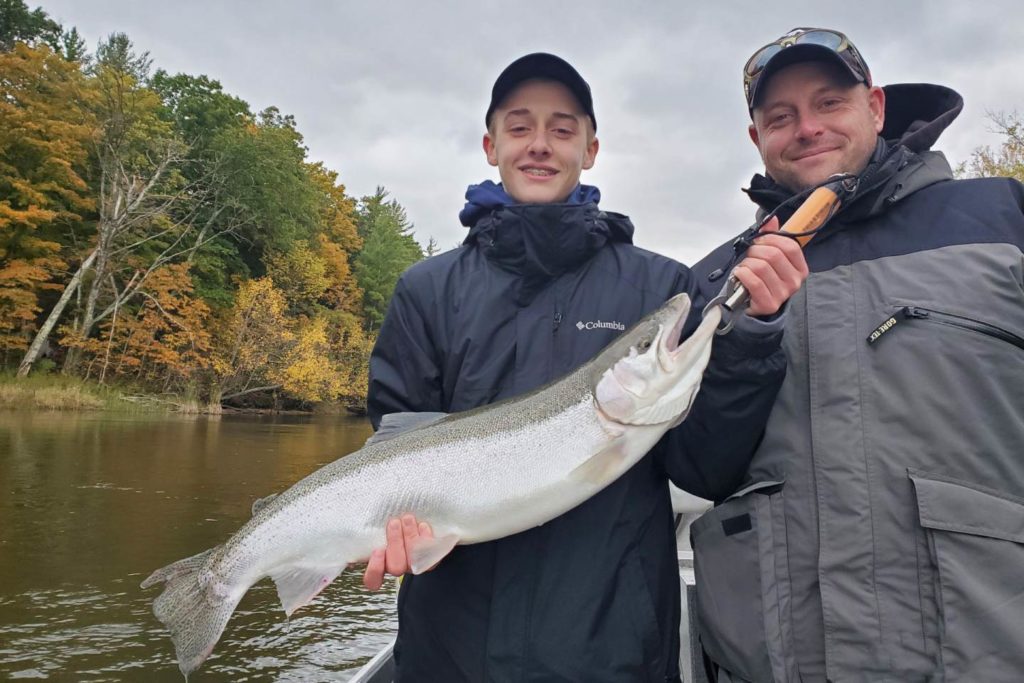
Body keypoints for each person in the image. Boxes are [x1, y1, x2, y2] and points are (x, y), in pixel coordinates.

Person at [362, 53, 809, 682]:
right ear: (491, 146)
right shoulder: (426, 290)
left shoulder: (660, 286)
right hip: (452, 653)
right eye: (520, 128)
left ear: (591, 149)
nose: (540, 145)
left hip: (612, 650)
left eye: (563, 129)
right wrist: (394, 531)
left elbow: (704, 470)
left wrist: (751, 343)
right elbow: (397, 441)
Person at [689, 27, 1024, 683]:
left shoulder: (1004, 220)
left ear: (875, 106)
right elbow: (700, 467)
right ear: (757, 139)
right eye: (780, 117)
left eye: (828, 103)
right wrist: (750, 334)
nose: (807, 128)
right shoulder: (711, 282)